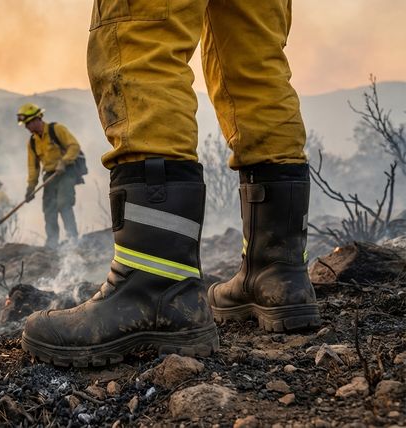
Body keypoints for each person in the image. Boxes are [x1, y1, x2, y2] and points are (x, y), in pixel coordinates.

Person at [22, 1, 320, 366]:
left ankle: (155, 287)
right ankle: (279, 274)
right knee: (253, 59)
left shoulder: (54, 132)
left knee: (140, 33)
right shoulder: (33, 141)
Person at [17, 103, 81, 248]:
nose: (26, 127)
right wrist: (30, 187)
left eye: (27, 124)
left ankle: (73, 240)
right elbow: (33, 167)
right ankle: (52, 243)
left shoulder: (56, 129)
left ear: (35, 120)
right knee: (49, 209)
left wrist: (64, 162)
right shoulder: (32, 142)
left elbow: (74, 146)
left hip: (66, 172)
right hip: (50, 176)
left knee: (64, 204)